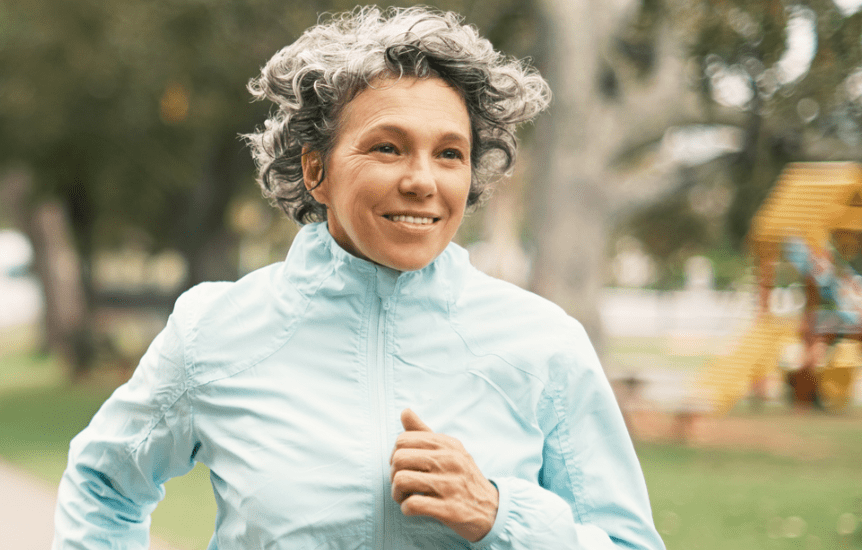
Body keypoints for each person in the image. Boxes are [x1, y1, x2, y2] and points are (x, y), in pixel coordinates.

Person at [53, 7, 665, 549]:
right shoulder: (216, 330)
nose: (423, 180)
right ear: (315, 170)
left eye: (450, 153)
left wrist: (501, 516)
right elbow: (103, 485)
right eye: (388, 148)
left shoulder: (543, 342)